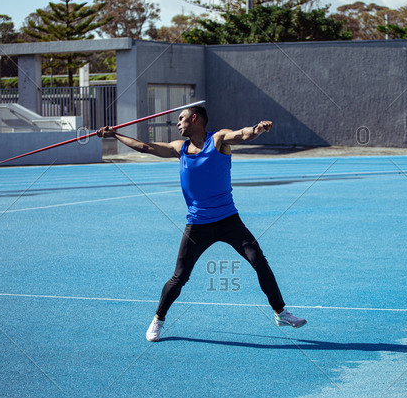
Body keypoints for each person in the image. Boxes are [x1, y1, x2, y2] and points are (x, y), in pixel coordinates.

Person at [97, 105, 306, 342]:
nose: (177, 123)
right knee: (179, 277)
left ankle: (280, 313)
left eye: (181, 118)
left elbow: (242, 134)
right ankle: (158, 320)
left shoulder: (217, 140)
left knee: (260, 261)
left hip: (228, 220)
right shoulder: (181, 148)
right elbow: (146, 147)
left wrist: (257, 129)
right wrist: (115, 134)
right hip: (197, 225)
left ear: (194, 118)